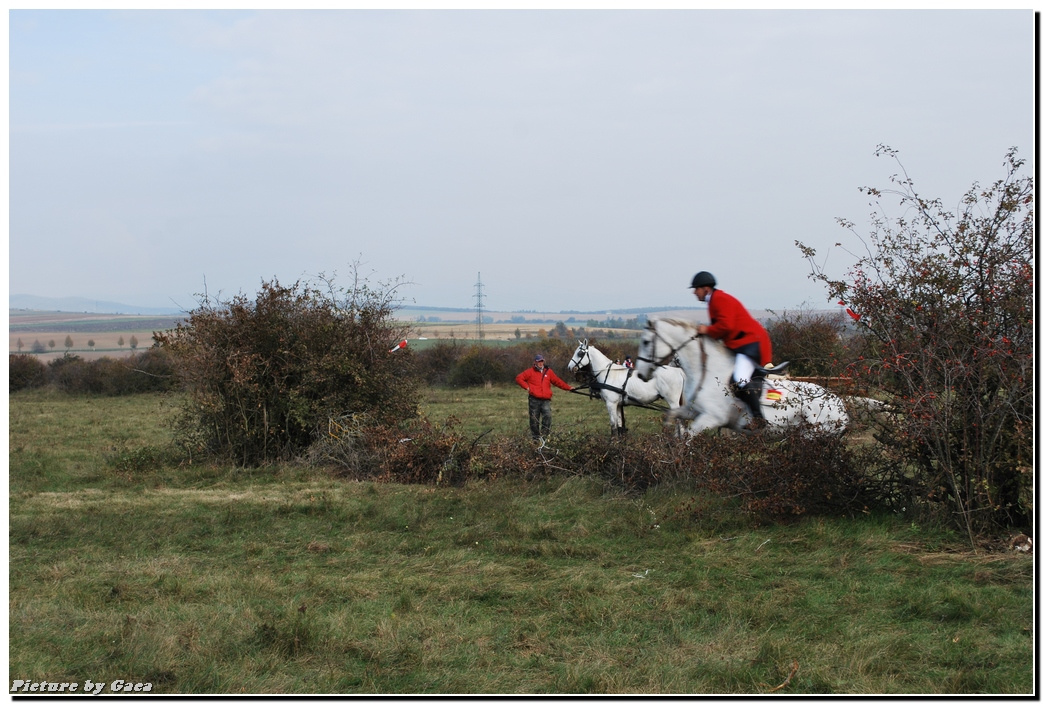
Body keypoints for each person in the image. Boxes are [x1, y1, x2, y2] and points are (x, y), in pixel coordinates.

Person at [689, 271, 773, 427]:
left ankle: (759, 419)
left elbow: (726, 326)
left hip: (751, 344)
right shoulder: (713, 300)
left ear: (706, 289)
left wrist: (707, 330)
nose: (694, 292)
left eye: (696, 289)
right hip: (742, 344)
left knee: (739, 379)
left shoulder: (719, 299)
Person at [515, 354, 573, 440]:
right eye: (538, 361)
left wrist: (568, 388)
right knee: (534, 420)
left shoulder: (548, 372)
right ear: (535, 362)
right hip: (534, 399)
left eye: (542, 361)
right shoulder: (530, 372)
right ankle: (536, 439)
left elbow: (557, 381)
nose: (540, 363)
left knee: (547, 417)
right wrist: (527, 387)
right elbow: (519, 378)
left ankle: (544, 438)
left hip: (546, 400)